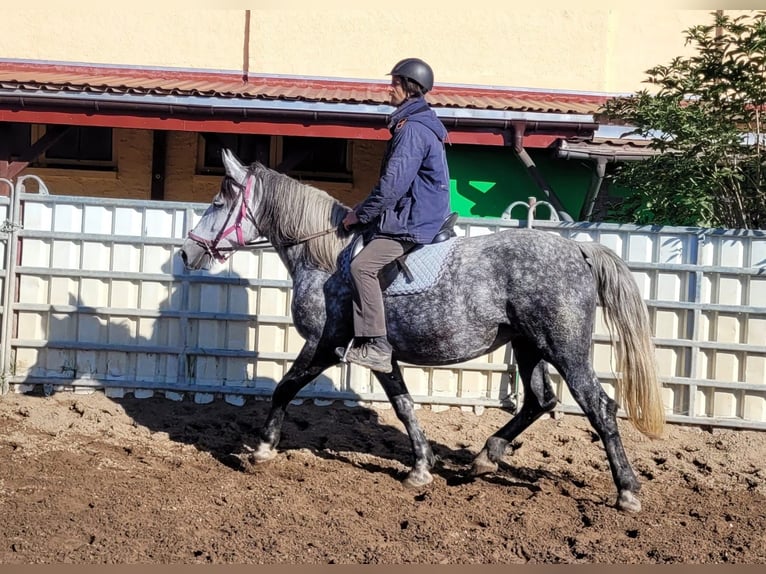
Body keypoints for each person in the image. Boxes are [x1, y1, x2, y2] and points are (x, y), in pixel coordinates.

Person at [337, 57, 451, 373]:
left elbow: (391, 187)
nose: (389, 89)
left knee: (362, 266)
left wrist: (359, 216)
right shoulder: (417, 124)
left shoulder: (412, 129)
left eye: (395, 83)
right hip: (417, 212)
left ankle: (376, 345)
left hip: (414, 220)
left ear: (408, 88)